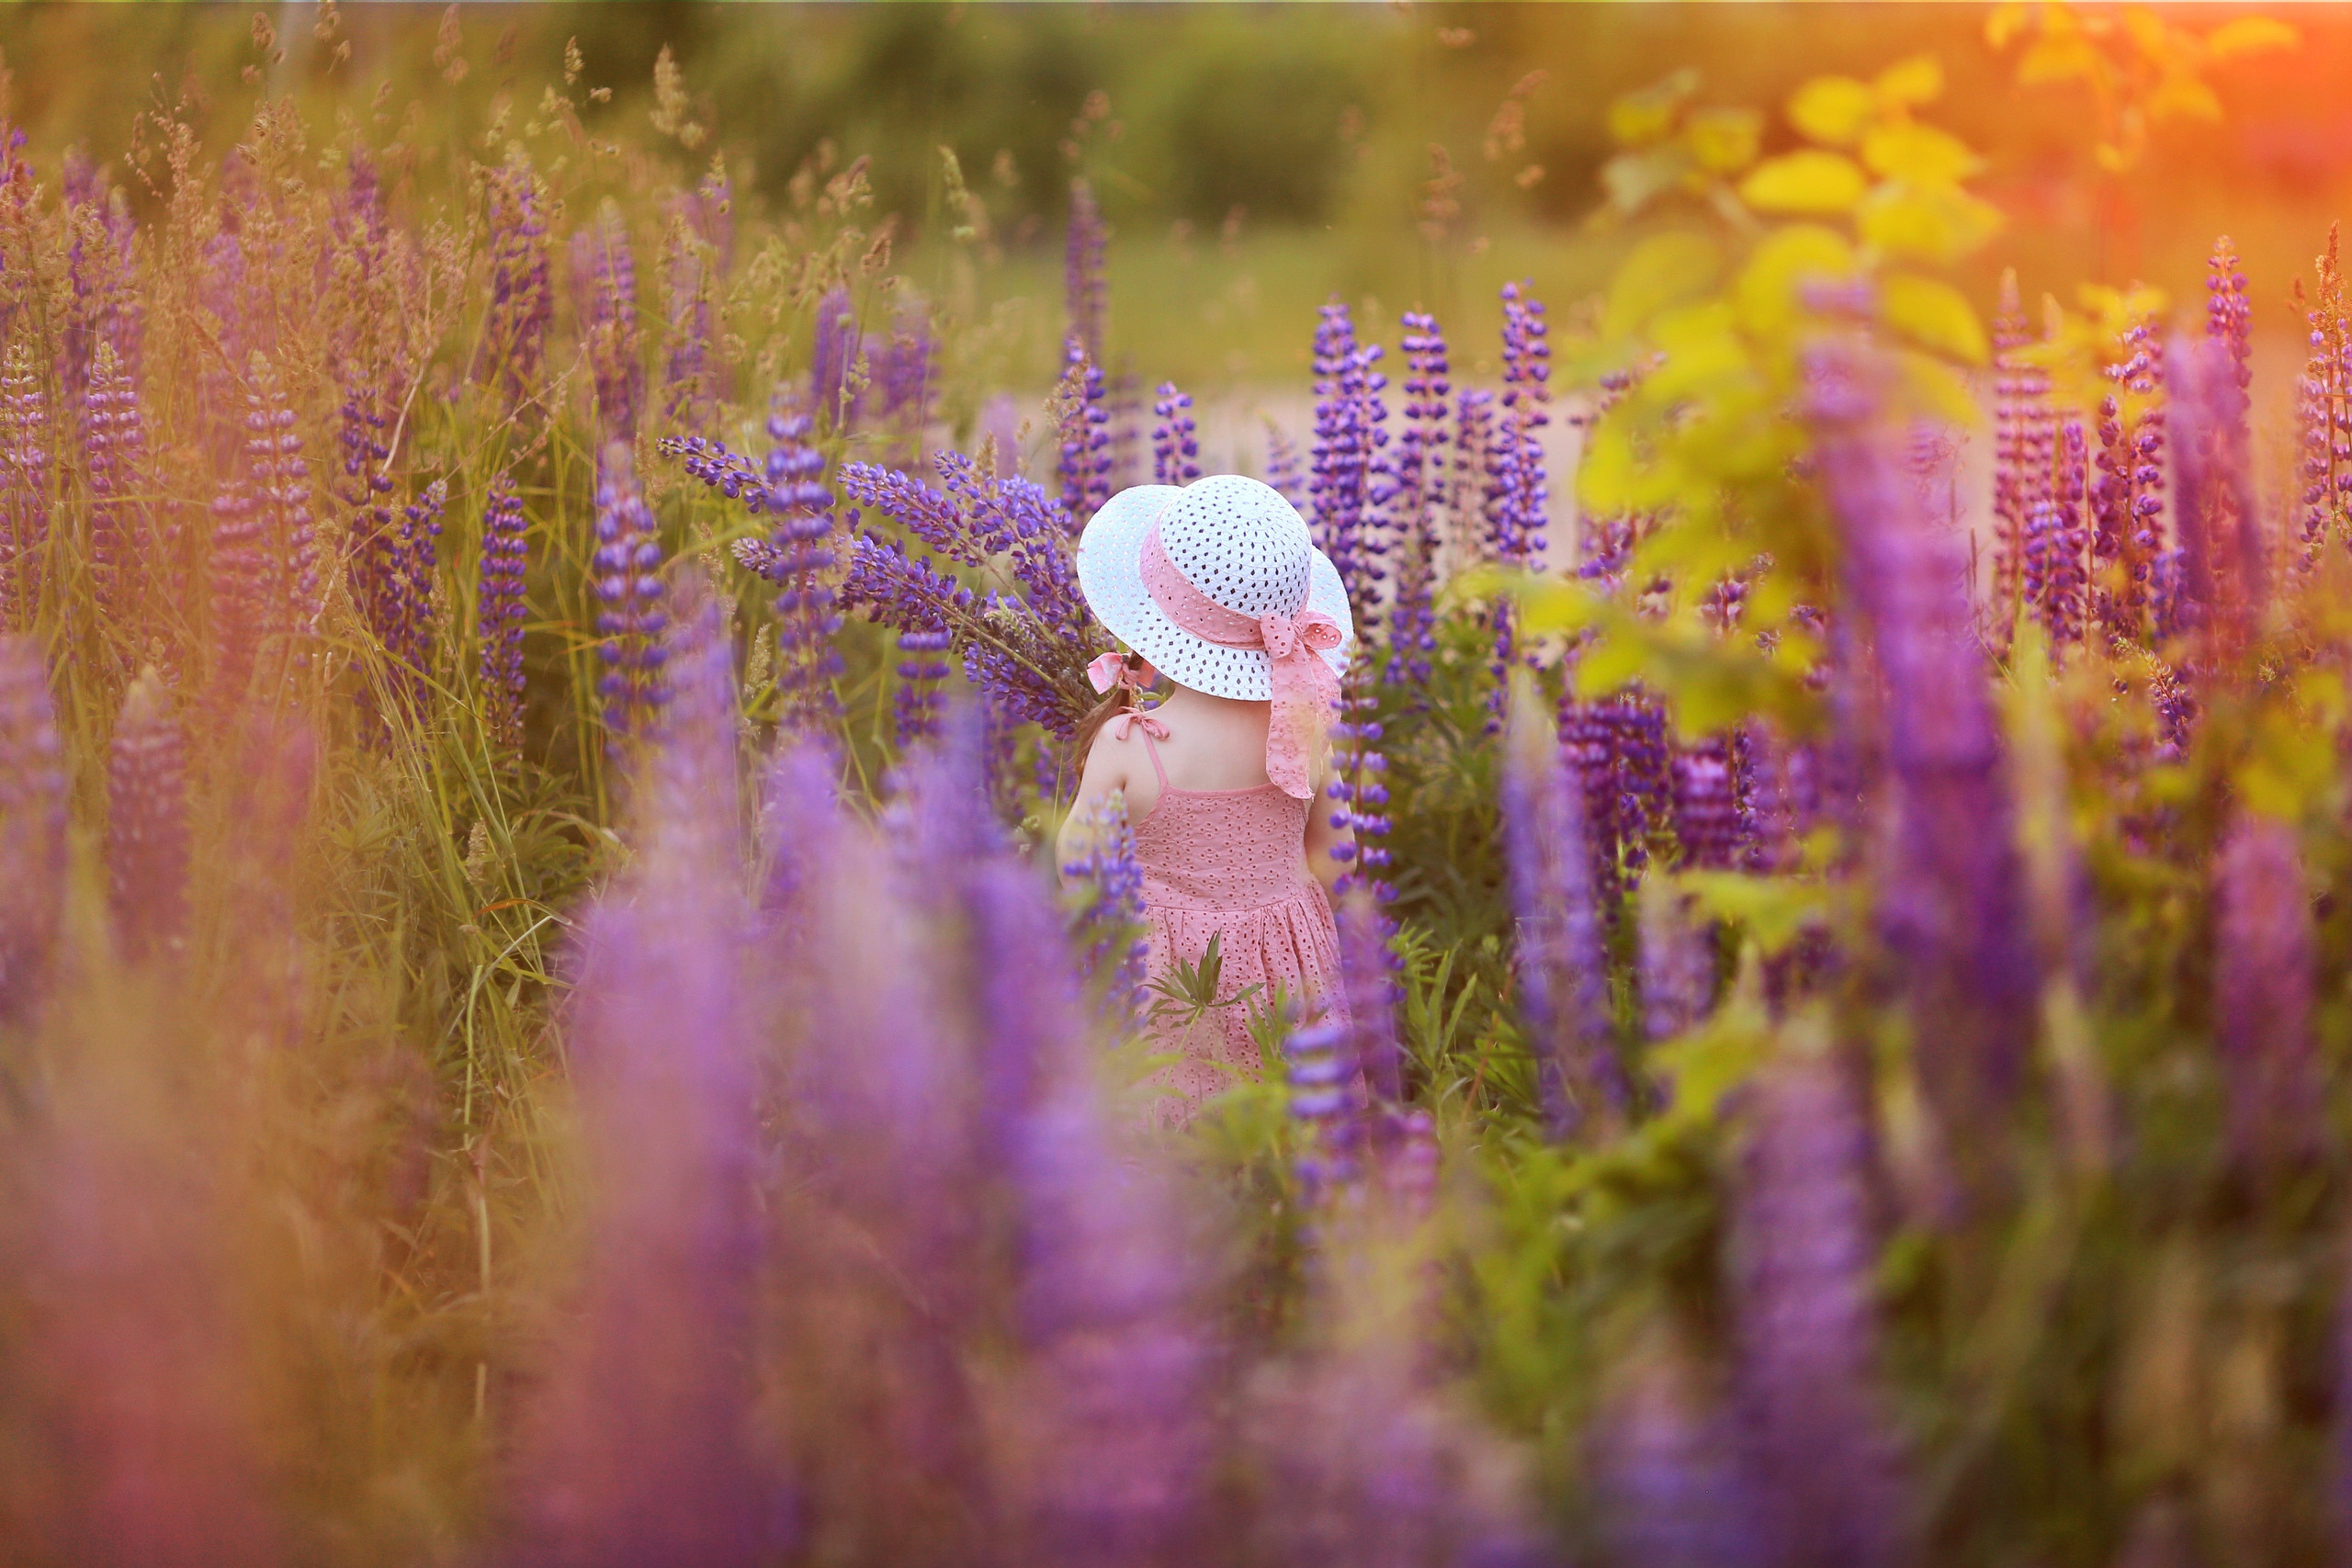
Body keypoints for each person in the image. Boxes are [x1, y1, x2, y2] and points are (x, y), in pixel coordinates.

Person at [1058, 474, 1356, 1124]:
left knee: (1176, 1121)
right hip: (1291, 958)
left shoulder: (1130, 742)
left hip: (1166, 969)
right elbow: (1337, 856)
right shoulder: (1306, 730)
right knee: (1292, 1123)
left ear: (1160, 622)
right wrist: (1296, 922)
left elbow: (1077, 862)